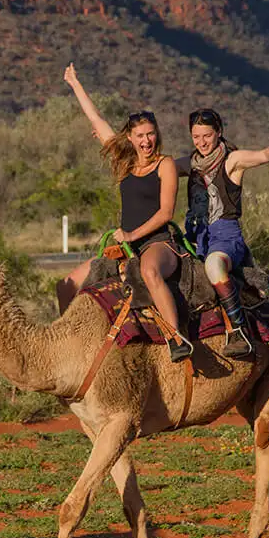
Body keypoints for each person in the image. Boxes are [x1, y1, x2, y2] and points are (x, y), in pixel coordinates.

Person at [58, 62, 193, 362]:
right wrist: (75, 84)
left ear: (156, 134)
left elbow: (165, 213)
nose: (146, 141)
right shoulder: (124, 162)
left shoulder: (166, 164)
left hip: (158, 242)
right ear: (130, 138)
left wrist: (131, 234)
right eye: (140, 136)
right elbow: (96, 119)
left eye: (150, 134)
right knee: (65, 285)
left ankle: (176, 338)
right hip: (126, 246)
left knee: (148, 271)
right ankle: (69, 348)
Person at [178, 108, 269, 357]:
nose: (201, 142)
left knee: (214, 266)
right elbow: (158, 168)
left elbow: (259, 155)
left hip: (226, 237)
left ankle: (237, 329)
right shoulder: (190, 164)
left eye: (207, 135)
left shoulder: (232, 161)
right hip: (195, 237)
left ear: (218, 133)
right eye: (196, 137)